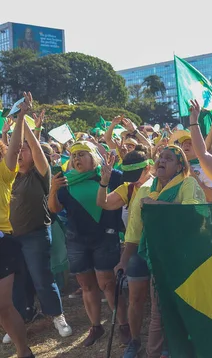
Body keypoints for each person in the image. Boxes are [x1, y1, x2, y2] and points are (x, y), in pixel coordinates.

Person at [48, 141, 130, 347]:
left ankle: (124, 325)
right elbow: (55, 209)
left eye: (82, 154)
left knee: (108, 285)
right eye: (74, 156)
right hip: (76, 240)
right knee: (86, 285)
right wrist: (52, 189)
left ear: (93, 157)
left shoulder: (110, 176)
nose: (77, 159)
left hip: (105, 237)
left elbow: (131, 187)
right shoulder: (66, 182)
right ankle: (96, 326)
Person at [134, 145, 205, 358]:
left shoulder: (188, 183)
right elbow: (135, 227)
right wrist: (125, 257)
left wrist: (157, 206)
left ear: (179, 165)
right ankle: (153, 354)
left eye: (168, 158)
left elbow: (192, 212)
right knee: (159, 311)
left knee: (185, 308)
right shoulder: (147, 189)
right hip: (158, 257)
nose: (161, 161)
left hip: (184, 256)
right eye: (159, 157)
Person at [9, 109, 72, 342]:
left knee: (42, 279)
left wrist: (22, 122)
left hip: (35, 235)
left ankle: (57, 316)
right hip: (11, 237)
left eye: (22, 149)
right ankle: (21, 319)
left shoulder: (39, 174)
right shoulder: (9, 175)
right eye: (17, 149)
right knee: (16, 282)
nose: (19, 152)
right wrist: (9, 132)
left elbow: (36, 150)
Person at [95, 146, 154, 358]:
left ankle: (165, 343)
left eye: (136, 175)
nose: (133, 180)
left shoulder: (161, 183)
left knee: (161, 301)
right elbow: (102, 202)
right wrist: (104, 181)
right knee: (136, 297)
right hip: (136, 248)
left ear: (148, 168)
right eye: (129, 176)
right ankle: (135, 341)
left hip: (159, 248)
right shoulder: (128, 188)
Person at [0, 93, 35, 358]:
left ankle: (24, 352)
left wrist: (21, 116)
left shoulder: (4, 170)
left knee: (3, 307)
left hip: (2, 242)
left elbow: (13, 148)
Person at [169, 129, 212, 202]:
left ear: (198, 148)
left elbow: (210, 197)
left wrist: (193, 175)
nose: (186, 145)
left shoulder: (206, 167)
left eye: (190, 143)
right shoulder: (174, 167)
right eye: (183, 143)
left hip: (197, 211)